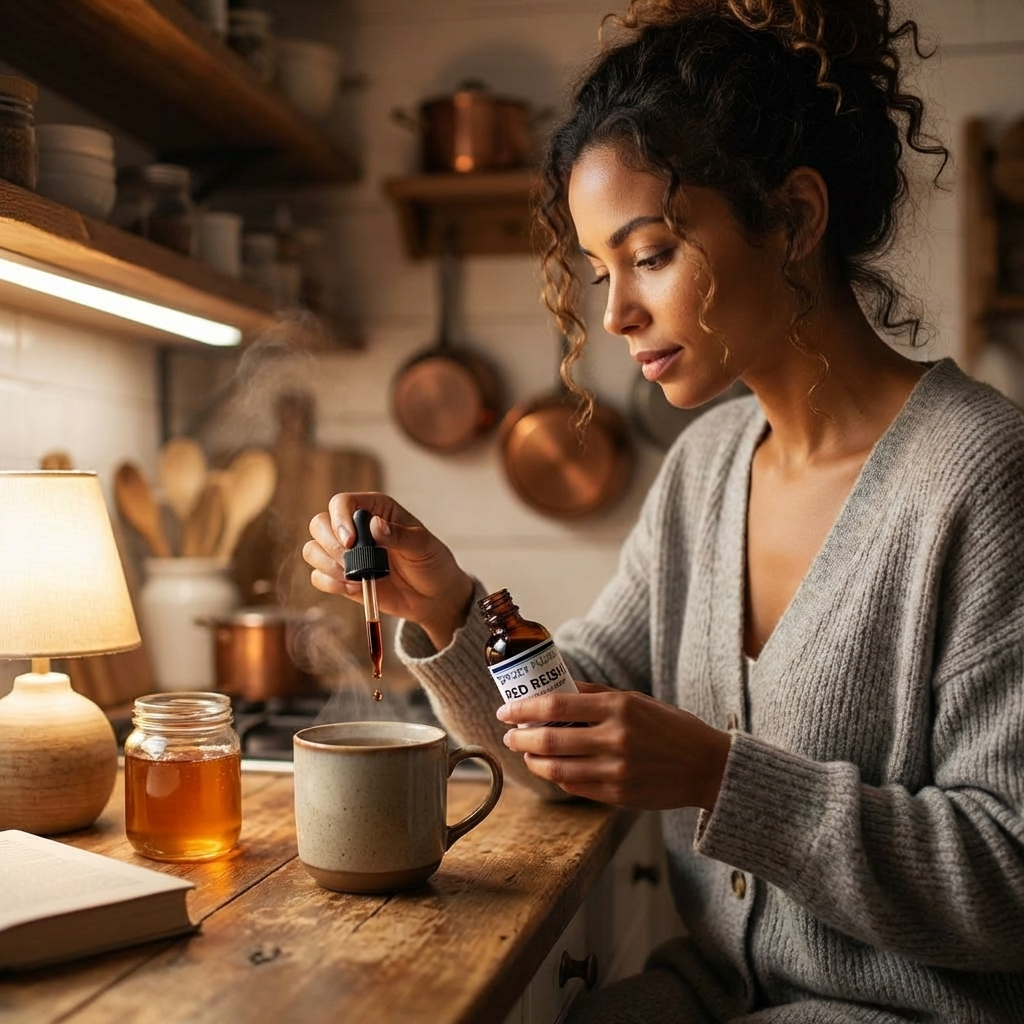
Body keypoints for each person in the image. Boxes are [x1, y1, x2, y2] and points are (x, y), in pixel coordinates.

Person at [303, 1, 1024, 1020]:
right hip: (719, 995)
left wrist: (719, 775)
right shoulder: (707, 465)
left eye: (648, 256)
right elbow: (574, 722)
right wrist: (449, 607)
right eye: (601, 271)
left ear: (796, 219)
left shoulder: (982, 474)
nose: (614, 315)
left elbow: (1011, 874)